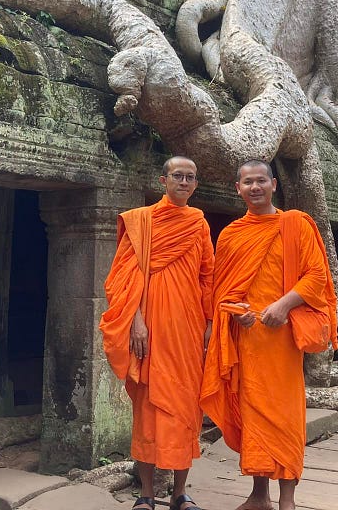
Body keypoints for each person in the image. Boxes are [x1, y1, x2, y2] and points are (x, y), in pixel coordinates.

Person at [201, 160, 338, 510]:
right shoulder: (231, 235)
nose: (255, 187)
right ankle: (259, 494)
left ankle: (287, 500)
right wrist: (237, 313)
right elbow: (222, 291)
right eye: (247, 182)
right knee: (252, 413)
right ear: (238, 189)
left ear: (273, 184)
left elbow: (315, 277)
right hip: (246, 340)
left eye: (261, 180)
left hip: (282, 339)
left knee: (285, 415)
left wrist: (283, 305)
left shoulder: (295, 225)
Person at [99, 157, 215, 510]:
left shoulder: (198, 223)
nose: (184, 182)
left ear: (196, 184)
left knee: (185, 410)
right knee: (147, 411)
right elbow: (122, 277)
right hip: (147, 329)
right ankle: (146, 493)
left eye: (190, 177)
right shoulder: (141, 222)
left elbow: (207, 275)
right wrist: (135, 319)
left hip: (187, 331)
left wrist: (209, 324)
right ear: (163, 180)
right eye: (177, 176)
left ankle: (180, 493)